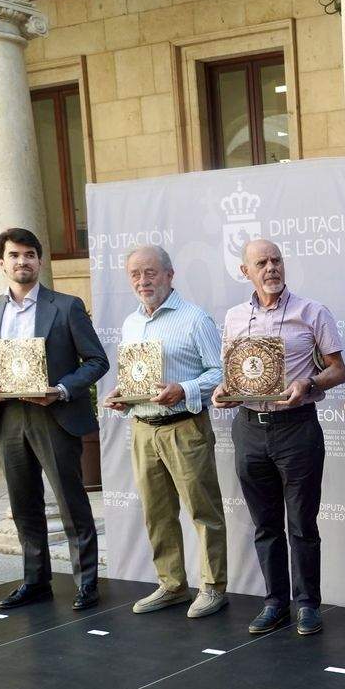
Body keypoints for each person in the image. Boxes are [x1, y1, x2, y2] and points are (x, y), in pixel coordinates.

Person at [212, 239, 345, 637]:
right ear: (245, 272)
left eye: (276, 260)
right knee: (264, 524)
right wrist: (222, 391)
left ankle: (307, 604)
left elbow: (338, 370)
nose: (271, 268)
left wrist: (309, 382)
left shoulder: (312, 312)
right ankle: (274, 602)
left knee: (302, 522)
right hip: (249, 427)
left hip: (296, 428)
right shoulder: (234, 318)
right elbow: (234, 376)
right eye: (261, 263)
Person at [0, 227, 107, 611]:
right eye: (14, 255)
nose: (22, 261)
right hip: (9, 417)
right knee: (24, 504)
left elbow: (96, 361)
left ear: (39, 261)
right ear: (2, 263)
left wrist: (61, 390)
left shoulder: (66, 306)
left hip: (54, 416)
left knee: (70, 502)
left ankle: (86, 583)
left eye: (29, 254)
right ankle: (35, 581)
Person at [103, 245, 228, 619]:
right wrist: (123, 396)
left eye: (151, 273)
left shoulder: (194, 319)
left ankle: (212, 587)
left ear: (169, 275)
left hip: (184, 427)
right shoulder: (130, 323)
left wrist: (184, 389)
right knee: (157, 512)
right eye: (135, 275)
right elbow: (137, 378)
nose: (143, 281)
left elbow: (221, 374)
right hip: (142, 428)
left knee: (203, 512)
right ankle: (172, 584)